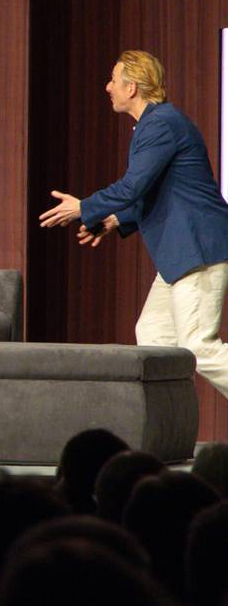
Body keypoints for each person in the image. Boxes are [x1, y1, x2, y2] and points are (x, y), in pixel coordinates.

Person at [40, 51, 228, 399]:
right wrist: (115, 219)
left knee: (198, 347)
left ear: (132, 87)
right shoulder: (156, 124)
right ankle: (167, 425)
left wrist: (84, 207)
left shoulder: (160, 124)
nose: (107, 87)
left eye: (114, 80)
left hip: (196, 248)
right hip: (179, 254)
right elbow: (158, 189)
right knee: (155, 336)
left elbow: (133, 186)